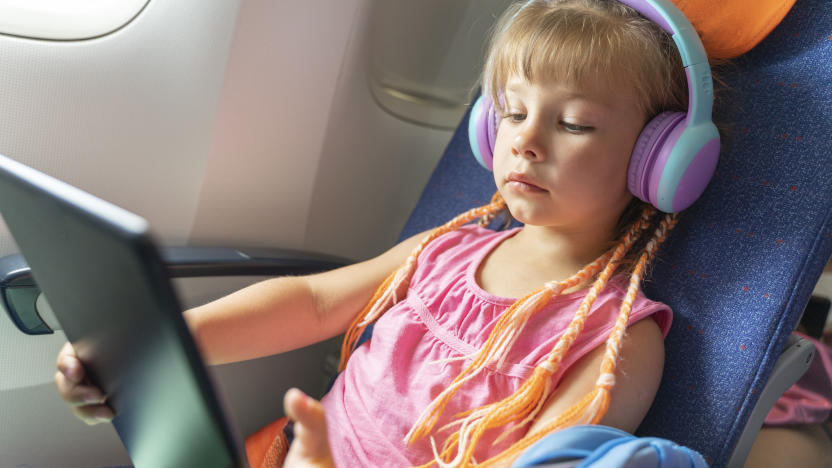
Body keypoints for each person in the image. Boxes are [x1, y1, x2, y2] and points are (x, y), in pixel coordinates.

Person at [54, 0, 705, 466]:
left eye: (575, 125)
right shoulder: (446, 248)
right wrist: (162, 346)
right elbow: (311, 303)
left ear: (656, 161)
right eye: (512, 113)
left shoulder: (619, 338)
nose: (526, 142)